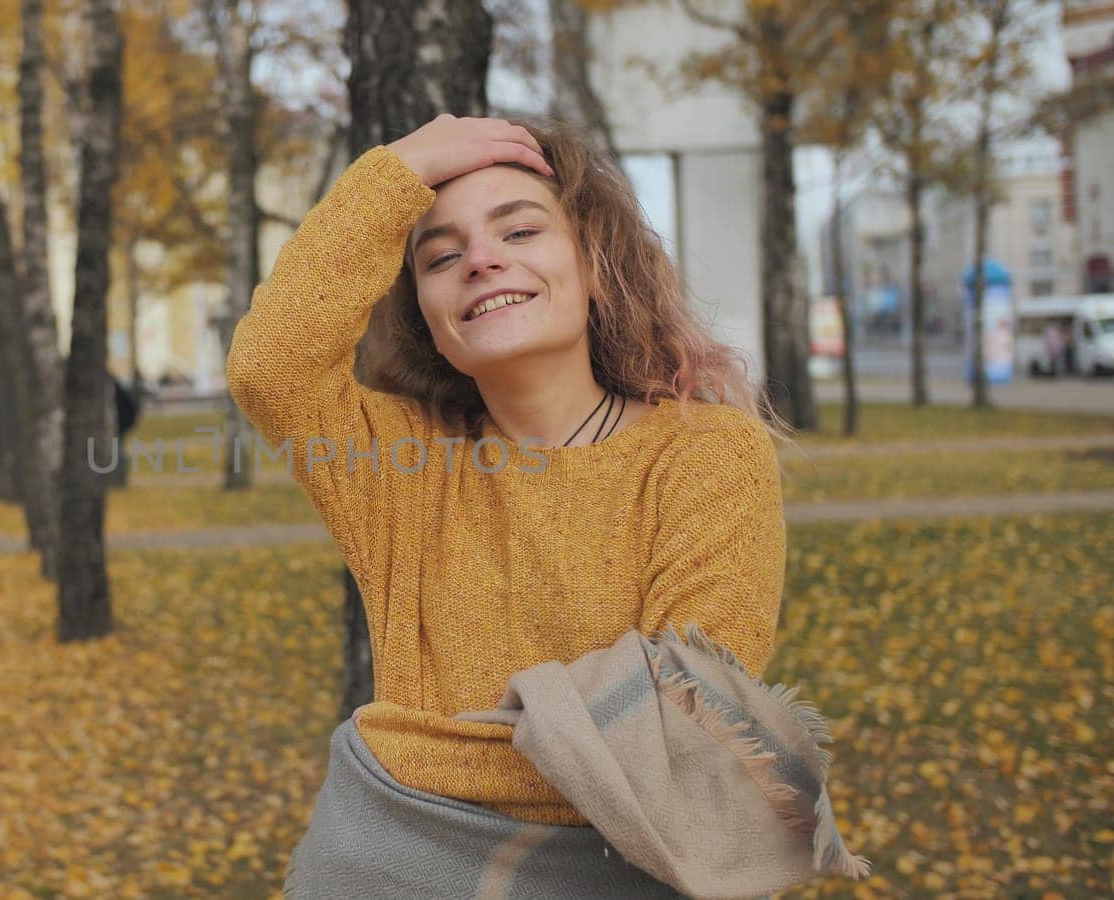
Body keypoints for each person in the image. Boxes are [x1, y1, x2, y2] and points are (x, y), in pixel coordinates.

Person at [225, 115, 789, 897]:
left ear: (595, 265)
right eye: (442, 256)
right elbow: (269, 367)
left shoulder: (704, 454)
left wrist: (426, 750)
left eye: (519, 231)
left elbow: (683, 716)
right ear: (425, 312)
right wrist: (398, 168)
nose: (482, 261)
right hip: (384, 863)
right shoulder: (399, 465)